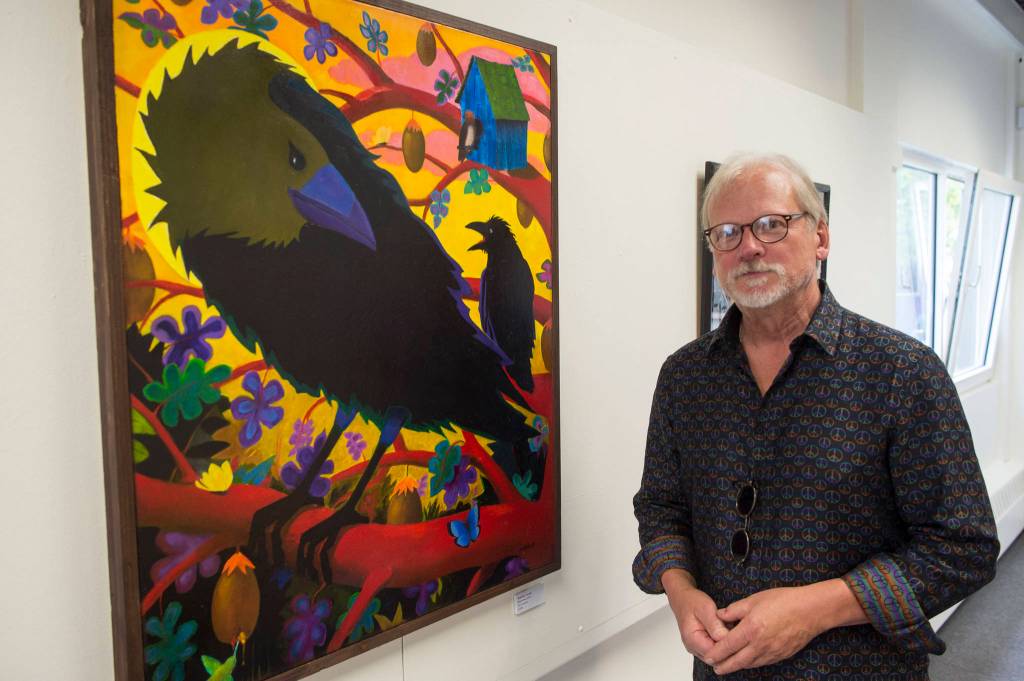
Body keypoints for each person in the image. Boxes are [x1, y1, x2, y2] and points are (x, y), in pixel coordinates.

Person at [632, 152, 999, 680]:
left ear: (821, 237)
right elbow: (661, 507)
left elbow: (964, 548)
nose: (750, 247)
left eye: (771, 225)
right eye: (727, 233)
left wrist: (814, 610)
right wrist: (681, 593)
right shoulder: (685, 377)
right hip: (723, 672)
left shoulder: (902, 373)